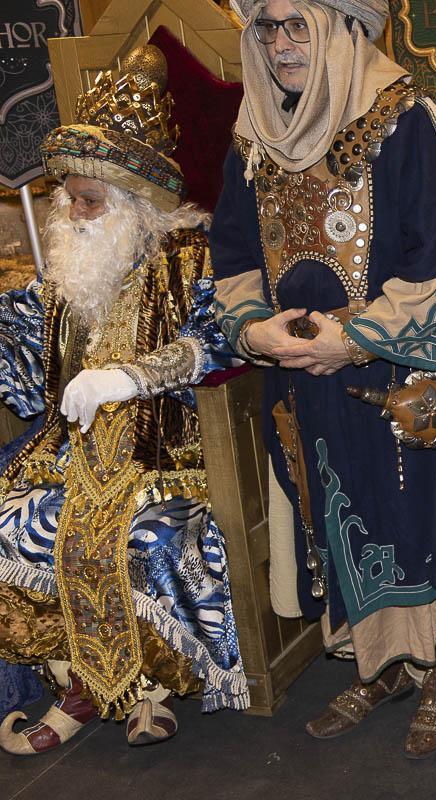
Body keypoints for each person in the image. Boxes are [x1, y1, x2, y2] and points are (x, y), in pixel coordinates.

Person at [211, 0, 436, 756]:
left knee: (433, 517)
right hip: (304, 379)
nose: (281, 45)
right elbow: (230, 255)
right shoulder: (255, 135)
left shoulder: (404, 119)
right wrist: (253, 327)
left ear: (340, 25)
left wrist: (352, 339)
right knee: (341, 511)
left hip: (407, 374)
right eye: (267, 28)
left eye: (297, 25)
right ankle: (380, 659)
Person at [0, 45, 247, 755]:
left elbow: (222, 340)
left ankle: (151, 685)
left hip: (172, 464)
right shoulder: (67, 280)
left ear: (135, 207)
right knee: (17, 524)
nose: (73, 214)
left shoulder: (191, 258)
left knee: (155, 540)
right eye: (67, 198)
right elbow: (17, 341)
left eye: (90, 201)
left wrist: (134, 377)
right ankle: (76, 683)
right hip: (68, 466)